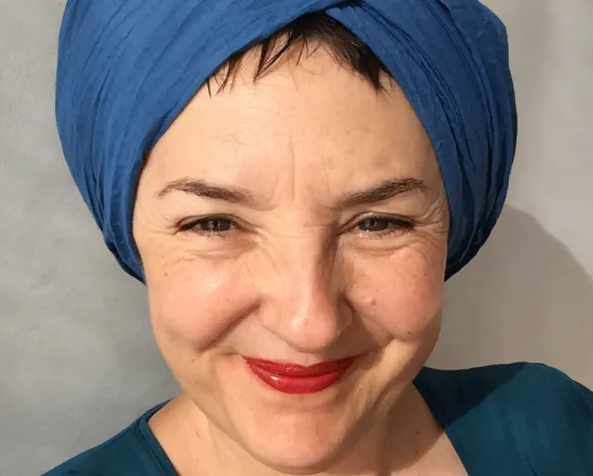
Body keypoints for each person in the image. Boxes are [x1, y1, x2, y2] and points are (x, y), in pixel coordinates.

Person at [46, 0, 593, 475]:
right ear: (132, 233)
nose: (309, 326)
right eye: (215, 223)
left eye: (378, 223)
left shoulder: (558, 434)